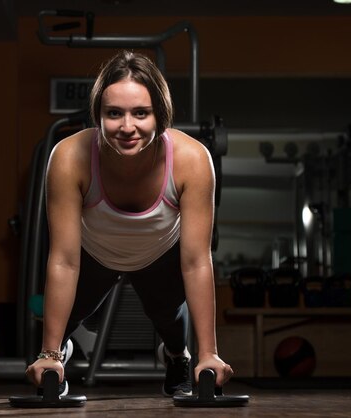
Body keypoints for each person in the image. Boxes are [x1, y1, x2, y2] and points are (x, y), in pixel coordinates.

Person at [25, 50, 234, 397]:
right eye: (113, 114)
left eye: (141, 113)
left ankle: (177, 356)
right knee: (65, 321)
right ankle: (59, 354)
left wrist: (208, 354)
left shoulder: (193, 159)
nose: (127, 127)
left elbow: (197, 260)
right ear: (97, 116)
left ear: (161, 116)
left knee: (169, 318)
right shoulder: (67, 157)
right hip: (92, 254)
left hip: (161, 254)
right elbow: (63, 258)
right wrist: (48, 354)